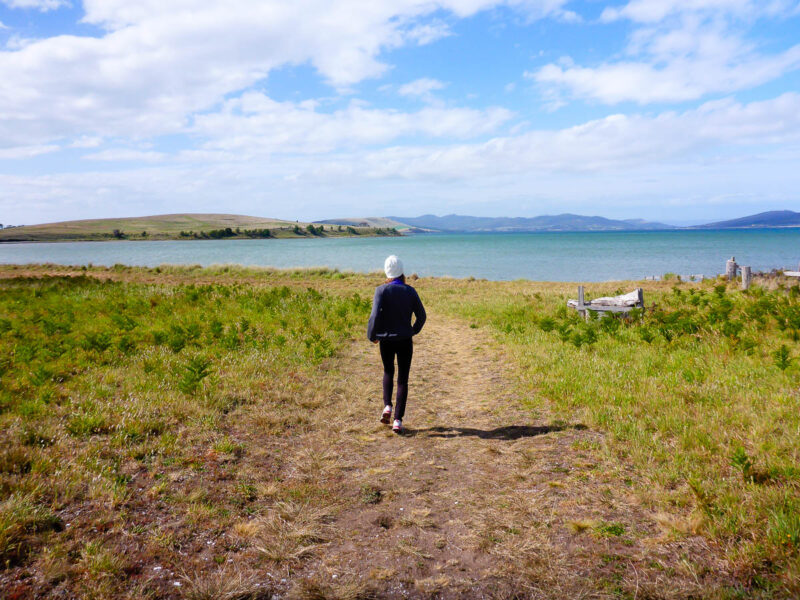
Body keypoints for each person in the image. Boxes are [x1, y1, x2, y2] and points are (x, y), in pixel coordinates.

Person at [367, 255, 426, 434]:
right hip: (405, 340)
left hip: (385, 340)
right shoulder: (410, 291)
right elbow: (421, 317)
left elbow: (374, 316)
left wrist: (372, 335)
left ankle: (387, 407)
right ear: (402, 272)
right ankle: (398, 421)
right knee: (403, 379)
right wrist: (412, 331)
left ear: (387, 271)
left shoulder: (381, 290)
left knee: (388, 372)